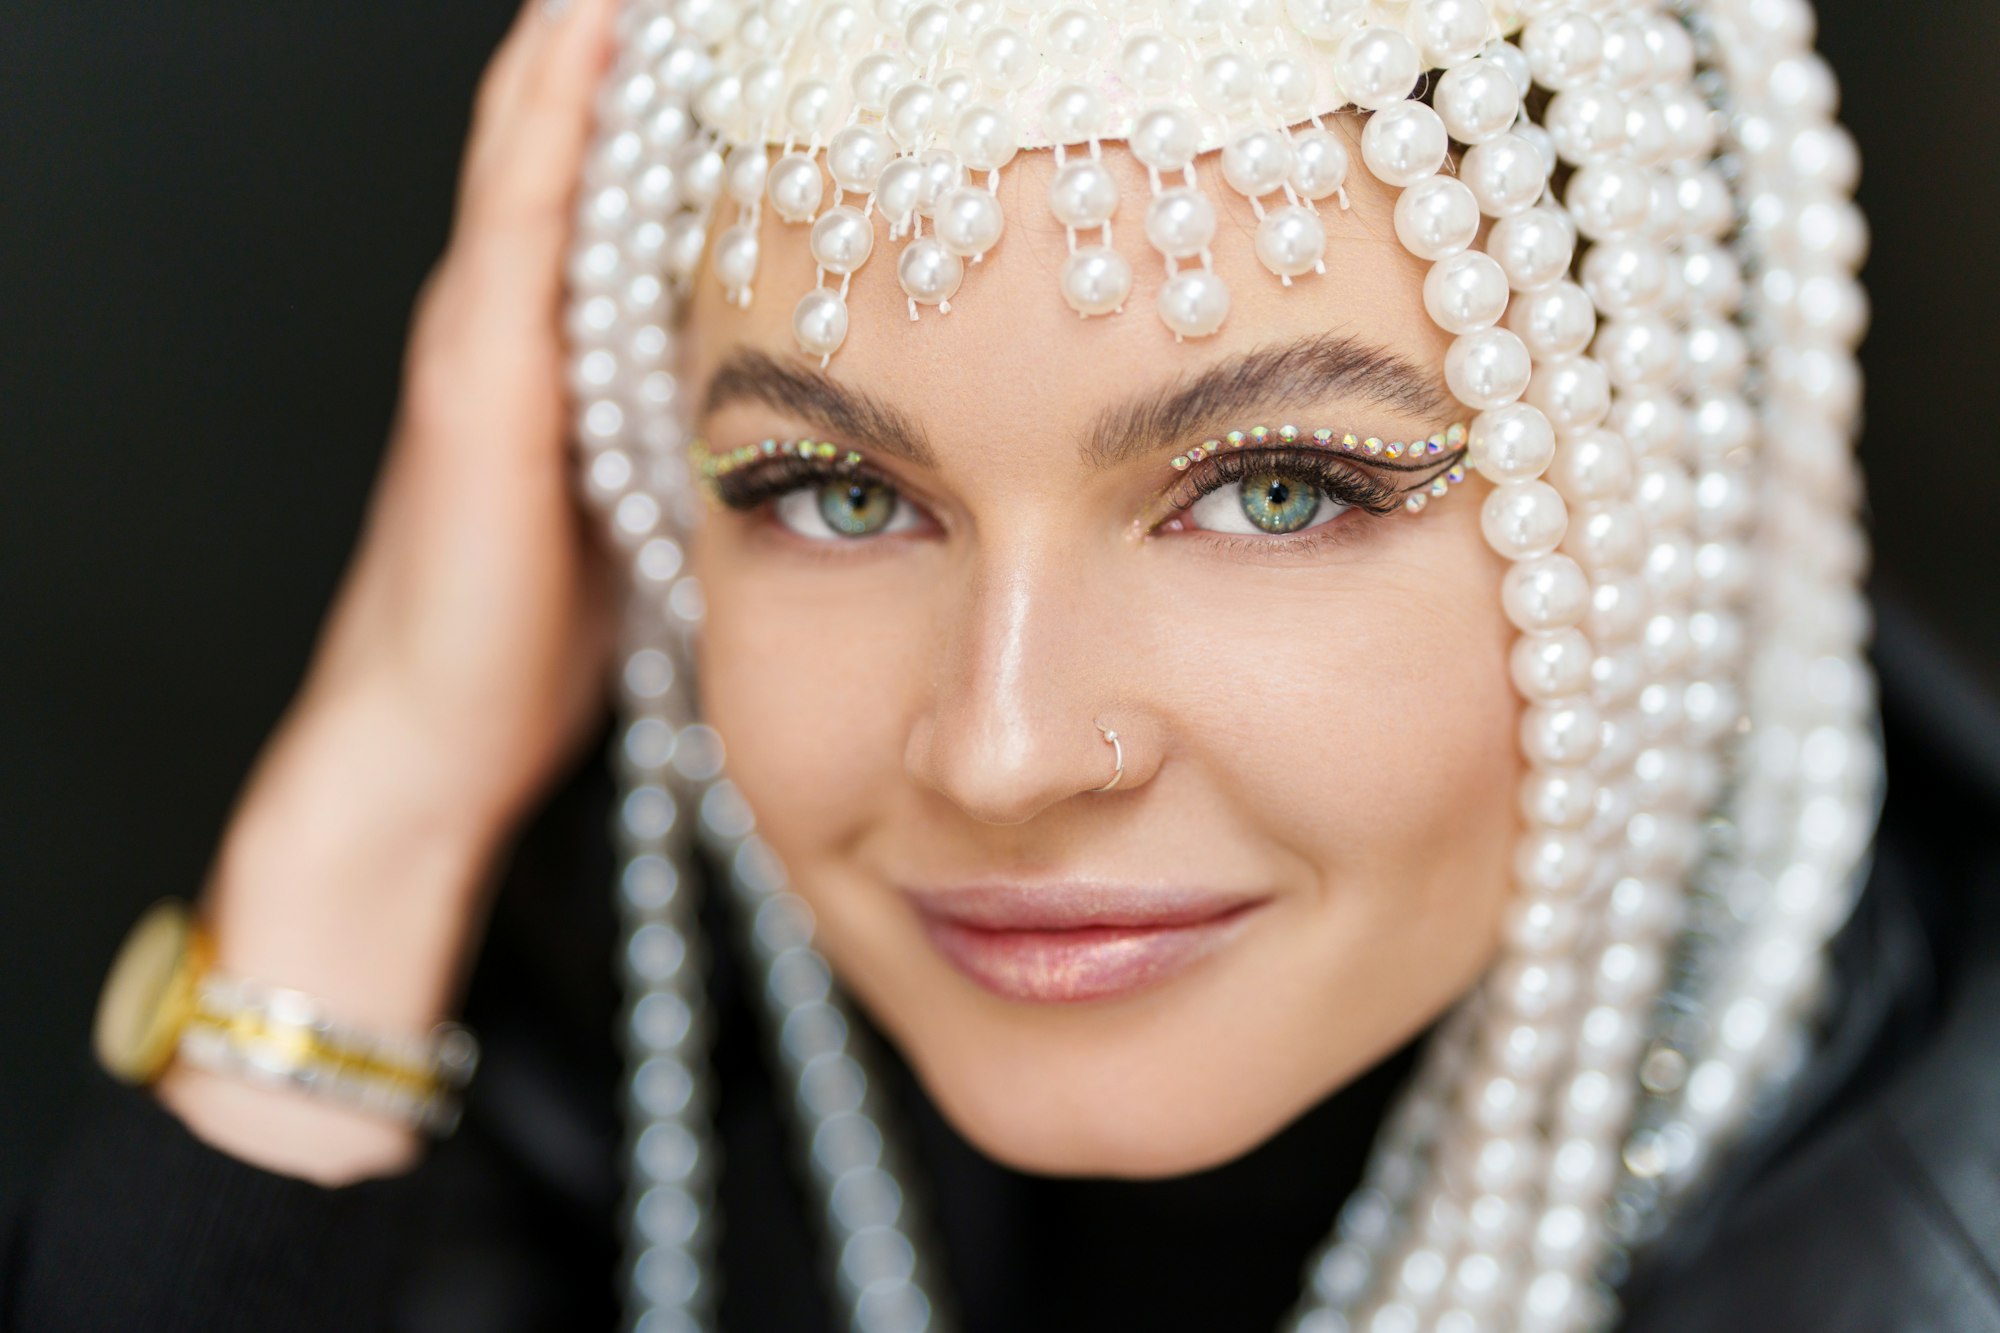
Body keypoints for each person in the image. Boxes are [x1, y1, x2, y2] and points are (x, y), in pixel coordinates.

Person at [5, 0, 1997, 1329]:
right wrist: (385, 798)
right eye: (835, 492)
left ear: (1676, 486)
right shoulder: (638, 1106)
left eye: (1281, 489)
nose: (1007, 745)